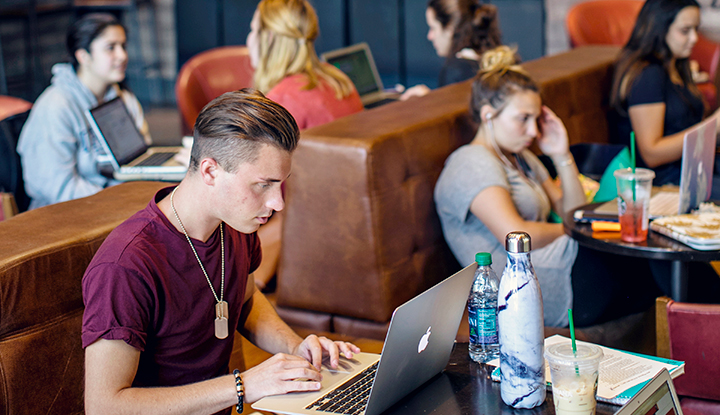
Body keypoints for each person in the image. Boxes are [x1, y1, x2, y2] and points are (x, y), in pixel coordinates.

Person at [81, 89, 360, 414]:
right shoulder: (126, 265)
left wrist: (296, 348)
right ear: (211, 171)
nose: (278, 203)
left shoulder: (235, 224)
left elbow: (245, 301)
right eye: (263, 185)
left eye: (280, 184)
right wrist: (243, 386)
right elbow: (104, 406)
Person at [434, 46, 661, 328]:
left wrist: (561, 154)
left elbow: (574, 211)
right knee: (656, 259)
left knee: (662, 257)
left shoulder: (520, 157)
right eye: (523, 119)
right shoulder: (470, 162)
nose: (533, 131)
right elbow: (514, 236)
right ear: (488, 114)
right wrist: (579, 230)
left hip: (565, 265)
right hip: (536, 287)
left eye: (536, 119)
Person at [17, 13, 150, 210]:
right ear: (83, 56)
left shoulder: (123, 98)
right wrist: (119, 203)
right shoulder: (56, 106)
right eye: (111, 48)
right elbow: (59, 188)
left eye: (123, 46)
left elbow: (142, 154)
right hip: (68, 216)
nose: (122, 56)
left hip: (119, 204)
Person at [610, 0, 720, 197]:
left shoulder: (677, 66)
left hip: (693, 169)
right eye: (685, 31)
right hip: (664, 181)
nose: (695, 38)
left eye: (696, 29)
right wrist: (714, 125)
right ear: (659, 28)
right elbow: (652, 154)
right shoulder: (648, 75)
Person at [246, 0, 364, 130]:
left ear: (269, 38)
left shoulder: (280, 101)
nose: (248, 39)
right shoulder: (338, 79)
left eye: (253, 30)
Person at [401, 0, 502, 100]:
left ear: (450, 29)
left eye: (433, 28)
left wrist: (428, 101)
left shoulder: (455, 70)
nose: (429, 36)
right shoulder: (495, 60)